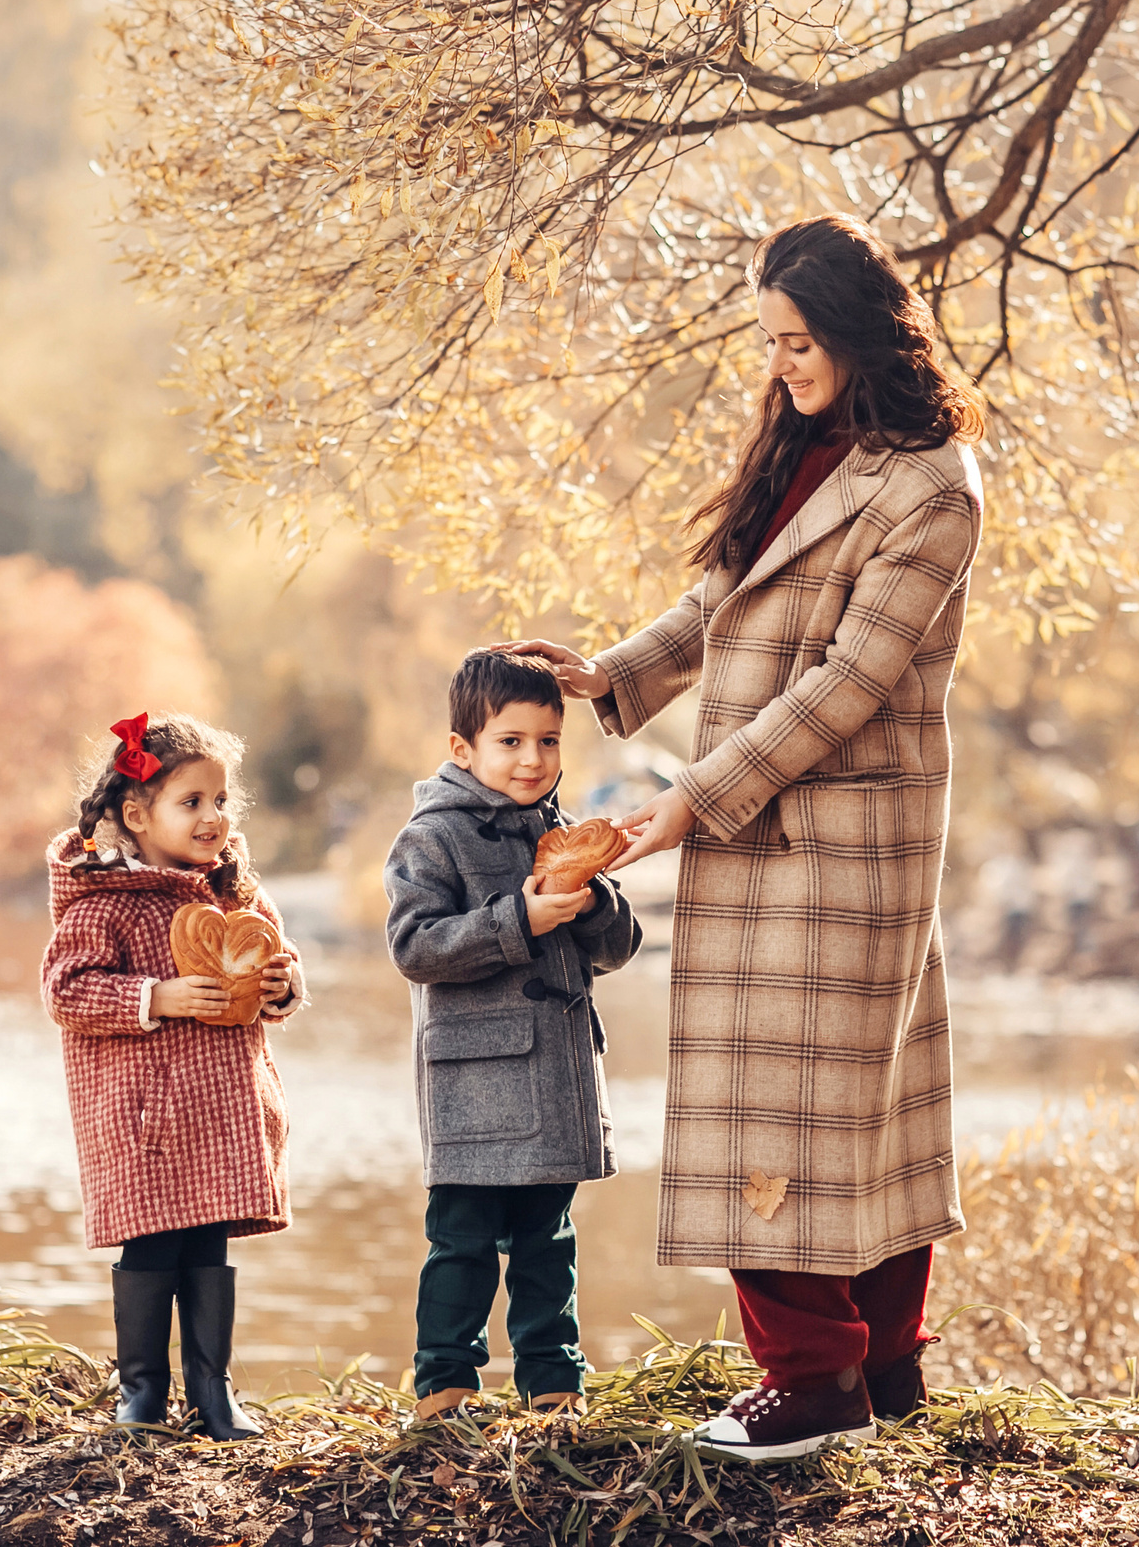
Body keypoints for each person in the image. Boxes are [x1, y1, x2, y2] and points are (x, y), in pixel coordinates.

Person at [500, 213, 986, 1460]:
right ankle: (876, 1372)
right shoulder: (806, 444)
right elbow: (723, 599)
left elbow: (846, 681)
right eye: (770, 342)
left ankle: (817, 1380)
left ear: (861, 330)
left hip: (842, 840)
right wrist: (606, 674)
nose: (783, 364)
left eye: (800, 340)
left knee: (799, 1109)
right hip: (759, 817)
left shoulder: (932, 485)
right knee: (820, 1102)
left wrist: (689, 799)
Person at [383, 649, 644, 1421]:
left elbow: (618, 947)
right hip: (474, 1083)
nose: (533, 759)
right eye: (510, 741)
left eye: (549, 741)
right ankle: (445, 1385)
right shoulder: (432, 837)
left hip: (556, 1079)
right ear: (463, 749)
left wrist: (593, 905)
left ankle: (553, 1383)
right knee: (461, 1244)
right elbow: (415, 947)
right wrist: (514, 922)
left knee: (548, 1244)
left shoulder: (567, 835)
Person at [39, 710, 305, 1441]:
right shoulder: (105, 904)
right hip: (147, 1118)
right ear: (138, 813)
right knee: (154, 1243)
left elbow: (274, 964)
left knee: (208, 1244)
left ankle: (212, 1393)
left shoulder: (233, 893)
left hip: (220, 1112)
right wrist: (155, 996)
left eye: (220, 801)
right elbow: (66, 991)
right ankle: (142, 1394)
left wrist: (281, 988)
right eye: (191, 803)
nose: (213, 818)